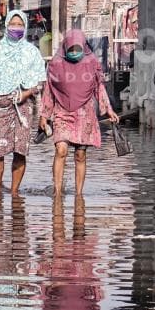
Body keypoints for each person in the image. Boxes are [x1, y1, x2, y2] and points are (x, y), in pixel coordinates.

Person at [40, 29, 119, 197]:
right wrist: (44, 116)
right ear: (66, 47)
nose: (75, 53)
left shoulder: (91, 64)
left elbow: (99, 88)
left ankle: (78, 195)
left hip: (85, 113)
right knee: (61, 149)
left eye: (78, 49)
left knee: (80, 154)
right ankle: (57, 192)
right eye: (71, 50)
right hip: (62, 111)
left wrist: (109, 110)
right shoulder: (56, 65)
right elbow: (49, 91)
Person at [0, 11, 46, 195]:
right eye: (13, 24)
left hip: (23, 108)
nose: (16, 28)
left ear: (25, 27)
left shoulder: (32, 52)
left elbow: (41, 82)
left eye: (20, 24)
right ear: (6, 26)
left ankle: (15, 191)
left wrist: (27, 93)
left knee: (20, 150)